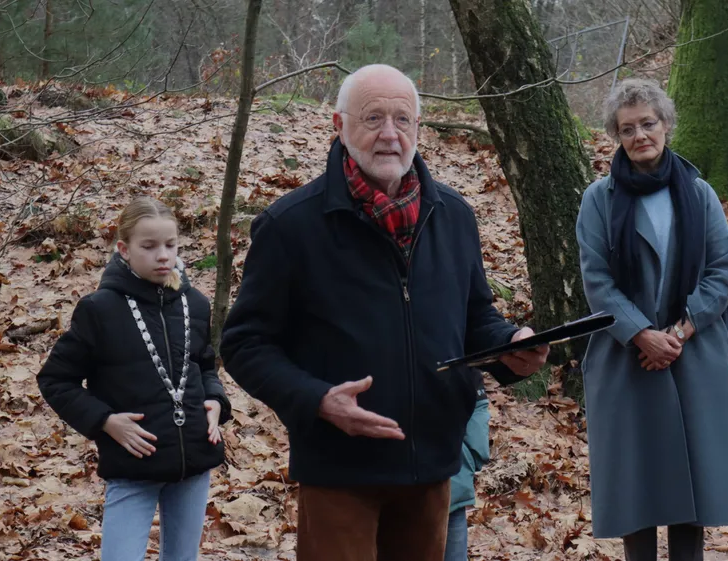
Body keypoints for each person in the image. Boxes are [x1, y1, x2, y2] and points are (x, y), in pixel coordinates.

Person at [220, 63, 548, 561]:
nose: (390, 134)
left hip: (432, 463)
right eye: (373, 118)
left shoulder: (453, 216)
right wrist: (317, 400)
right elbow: (244, 343)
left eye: (403, 119)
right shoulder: (291, 226)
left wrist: (510, 346)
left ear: (418, 127)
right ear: (339, 125)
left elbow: (474, 318)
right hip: (339, 469)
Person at [574, 77, 728, 561]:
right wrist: (641, 335)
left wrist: (680, 332)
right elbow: (597, 280)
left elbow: (721, 269)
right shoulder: (598, 199)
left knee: (693, 489)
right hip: (626, 360)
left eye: (648, 124)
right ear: (616, 135)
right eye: (627, 129)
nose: (640, 136)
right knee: (637, 488)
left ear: (666, 124)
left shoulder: (699, 194)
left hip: (693, 354)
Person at [36, 197, 231, 561]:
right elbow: (55, 380)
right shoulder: (99, 310)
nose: (163, 256)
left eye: (170, 245)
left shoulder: (196, 304)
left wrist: (215, 400)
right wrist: (105, 421)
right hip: (133, 464)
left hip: (194, 459)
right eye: (149, 246)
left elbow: (205, 366)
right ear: (124, 249)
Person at [444, 370, 491, 561]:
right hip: (393, 496)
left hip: (452, 492)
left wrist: (467, 459)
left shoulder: (454, 352)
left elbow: (477, 402)